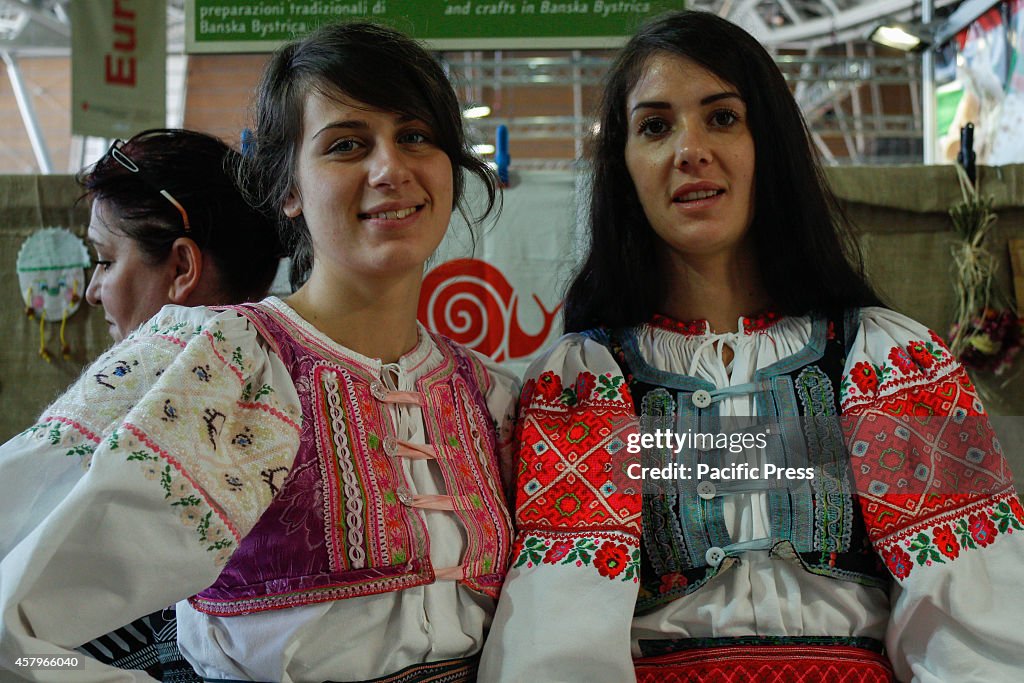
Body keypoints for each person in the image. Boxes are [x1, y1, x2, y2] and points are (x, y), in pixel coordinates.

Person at [480, 10, 1024, 682]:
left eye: (723, 117)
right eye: (655, 126)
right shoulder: (586, 382)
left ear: (768, 141)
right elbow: (555, 634)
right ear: (622, 166)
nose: (690, 149)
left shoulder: (884, 361)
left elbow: (973, 625)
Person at [0, 22, 516, 683]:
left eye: (416, 136)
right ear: (290, 189)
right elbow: (16, 627)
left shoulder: (491, 396)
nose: (391, 168)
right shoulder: (222, 362)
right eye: (347, 144)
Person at [75, 128, 282, 682]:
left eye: (104, 259)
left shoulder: (124, 439)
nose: (94, 291)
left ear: (182, 270)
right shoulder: (290, 410)